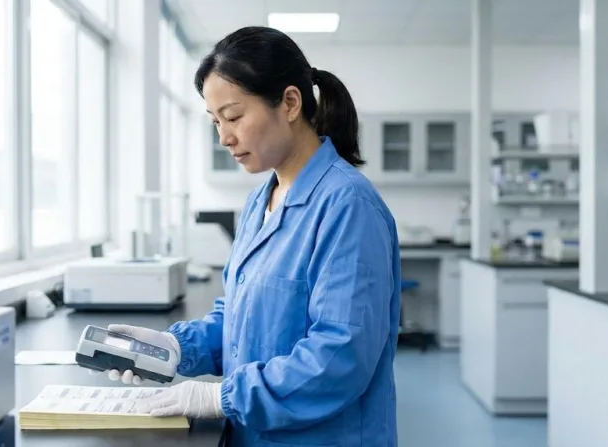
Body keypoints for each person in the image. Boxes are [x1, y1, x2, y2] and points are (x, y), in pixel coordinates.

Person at [100, 26, 402, 446]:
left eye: (234, 117)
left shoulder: (347, 205)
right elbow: (243, 318)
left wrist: (223, 396)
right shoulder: (262, 200)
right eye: (215, 122)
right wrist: (175, 347)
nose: (224, 137)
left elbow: (340, 357)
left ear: (290, 103)